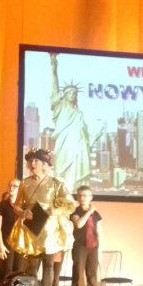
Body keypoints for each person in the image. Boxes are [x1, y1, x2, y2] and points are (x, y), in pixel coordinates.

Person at [9, 148, 75, 286]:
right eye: (31, 160)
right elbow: (16, 205)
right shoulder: (25, 183)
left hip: (49, 229)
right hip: (31, 226)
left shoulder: (56, 183)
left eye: (36, 161)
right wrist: (23, 212)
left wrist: (54, 211)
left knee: (48, 263)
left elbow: (70, 204)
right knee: (31, 264)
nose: (32, 163)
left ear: (45, 164)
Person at [49, 53, 93, 189]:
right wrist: (54, 68)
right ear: (65, 95)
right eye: (69, 93)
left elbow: (86, 135)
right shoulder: (60, 107)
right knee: (61, 175)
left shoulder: (79, 114)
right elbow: (55, 89)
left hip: (78, 148)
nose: (72, 95)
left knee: (76, 176)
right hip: (64, 145)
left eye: (74, 93)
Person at [70, 185, 102, 286]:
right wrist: (89, 212)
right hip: (80, 246)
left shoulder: (96, 214)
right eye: (80, 196)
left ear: (91, 197)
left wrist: (100, 248)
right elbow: (79, 224)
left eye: (85, 196)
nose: (82, 198)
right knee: (78, 274)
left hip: (93, 247)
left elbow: (99, 231)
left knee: (92, 275)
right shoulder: (75, 212)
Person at [0, 179, 23, 286]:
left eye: (15, 186)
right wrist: (1, 245)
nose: (11, 188)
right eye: (10, 185)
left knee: (19, 270)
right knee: (7, 271)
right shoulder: (2, 205)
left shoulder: (24, 206)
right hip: (6, 241)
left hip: (20, 242)